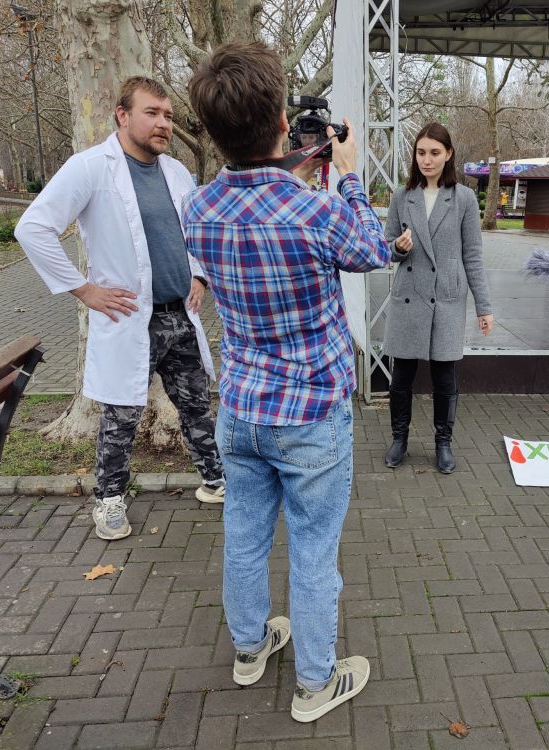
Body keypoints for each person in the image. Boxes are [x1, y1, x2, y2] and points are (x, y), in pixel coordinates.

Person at [183, 43, 391, 723]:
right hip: (310, 413)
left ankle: (250, 650)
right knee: (312, 549)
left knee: (244, 537)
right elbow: (372, 250)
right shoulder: (317, 210)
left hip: (241, 405)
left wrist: (303, 165)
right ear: (281, 120)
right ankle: (314, 684)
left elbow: (250, 198)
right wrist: (347, 174)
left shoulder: (198, 209)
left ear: (211, 129)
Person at [15, 76, 225, 542]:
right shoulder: (91, 168)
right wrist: (83, 289)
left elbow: (191, 232)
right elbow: (32, 228)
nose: (163, 123)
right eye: (152, 113)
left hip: (179, 315)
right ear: (122, 115)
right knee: (121, 418)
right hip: (130, 319)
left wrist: (199, 275)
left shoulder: (176, 171)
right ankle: (109, 500)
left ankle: (215, 481)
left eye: (168, 115)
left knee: (196, 407)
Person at [382, 123, 494, 474]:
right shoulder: (402, 196)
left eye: (434, 152)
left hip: (446, 298)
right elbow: (385, 248)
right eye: (421, 152)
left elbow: (472, 256)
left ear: (448, 155)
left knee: (445, 377)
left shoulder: (463, 198)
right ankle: (399, 439)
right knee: (401, 377)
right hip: (409, 296)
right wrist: (398, 248)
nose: (427, 159)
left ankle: (443, 442)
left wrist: (484, 307)